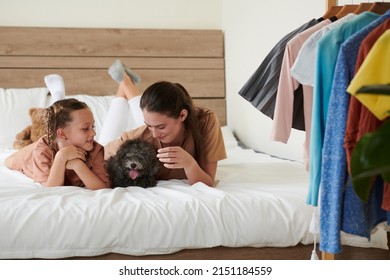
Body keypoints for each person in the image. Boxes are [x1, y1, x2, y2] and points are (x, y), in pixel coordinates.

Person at [101, 59, 227, 187]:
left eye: (161, 127)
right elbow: (99, 154)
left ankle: (125, 82)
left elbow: (208, 182)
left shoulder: (206, 122)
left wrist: (189, 163)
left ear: (182, 115)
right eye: (149, 126)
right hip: (112, 145)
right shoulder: (140, 138)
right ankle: (125, 82)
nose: (155, 134)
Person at [5, 98, 110, 190]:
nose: (93, 133)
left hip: (58, 141)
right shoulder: (42, 150)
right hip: (27, 159)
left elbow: (103, 187)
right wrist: (61, 158)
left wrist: (78, 165)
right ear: (62, 133)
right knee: (8, 161)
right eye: (85, 128)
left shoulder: (95, 149)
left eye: (93, 127)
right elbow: (51, 189)